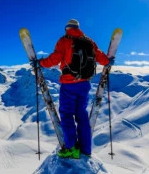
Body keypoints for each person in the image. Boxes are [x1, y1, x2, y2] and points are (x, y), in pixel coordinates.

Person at [31, 19, 113, 159]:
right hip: (85, 84)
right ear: (78, 28)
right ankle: (86, 149)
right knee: (81, 114)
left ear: (67, 28)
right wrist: (109, 61)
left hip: (69, 84)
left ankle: (71, 148)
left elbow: (54, 59)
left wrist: (39, 63)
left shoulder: (64, 41)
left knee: (67, 114)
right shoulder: (89, 41)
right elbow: (101, 58)